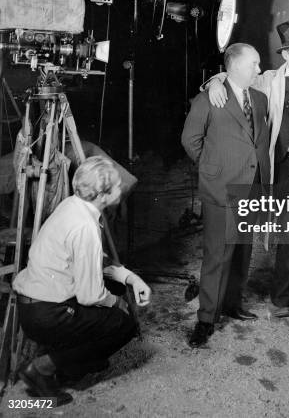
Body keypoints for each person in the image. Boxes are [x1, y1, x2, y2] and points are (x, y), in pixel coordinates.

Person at [206, 18, 289, 318]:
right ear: (286, 55)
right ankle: (282, 297)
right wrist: (214, 82)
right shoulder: (268, 80)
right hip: (284, 166)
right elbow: (235, 77)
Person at [13, 156, 151, 405]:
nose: (122, 188)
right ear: (103, 194)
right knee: (124, 325)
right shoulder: (85, 227)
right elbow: (91, 296)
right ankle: (42, 368)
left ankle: (76, 363)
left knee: (116, 287)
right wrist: (117, 302)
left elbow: (98, 263)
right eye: (118, 185)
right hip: (47, 314)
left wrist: (132, 278)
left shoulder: (72, 205)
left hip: (33, 306)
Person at [181, 43, 270, 347]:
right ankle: (207, 318)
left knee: (243, 251)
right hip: (221, 188)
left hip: (252, 187)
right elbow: (190, 140)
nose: (259, 70)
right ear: (233, 67)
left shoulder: (259, 98)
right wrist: (212, 169)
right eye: (254, 64)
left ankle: (233, 303)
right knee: (217, 255)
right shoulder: (209, 98)